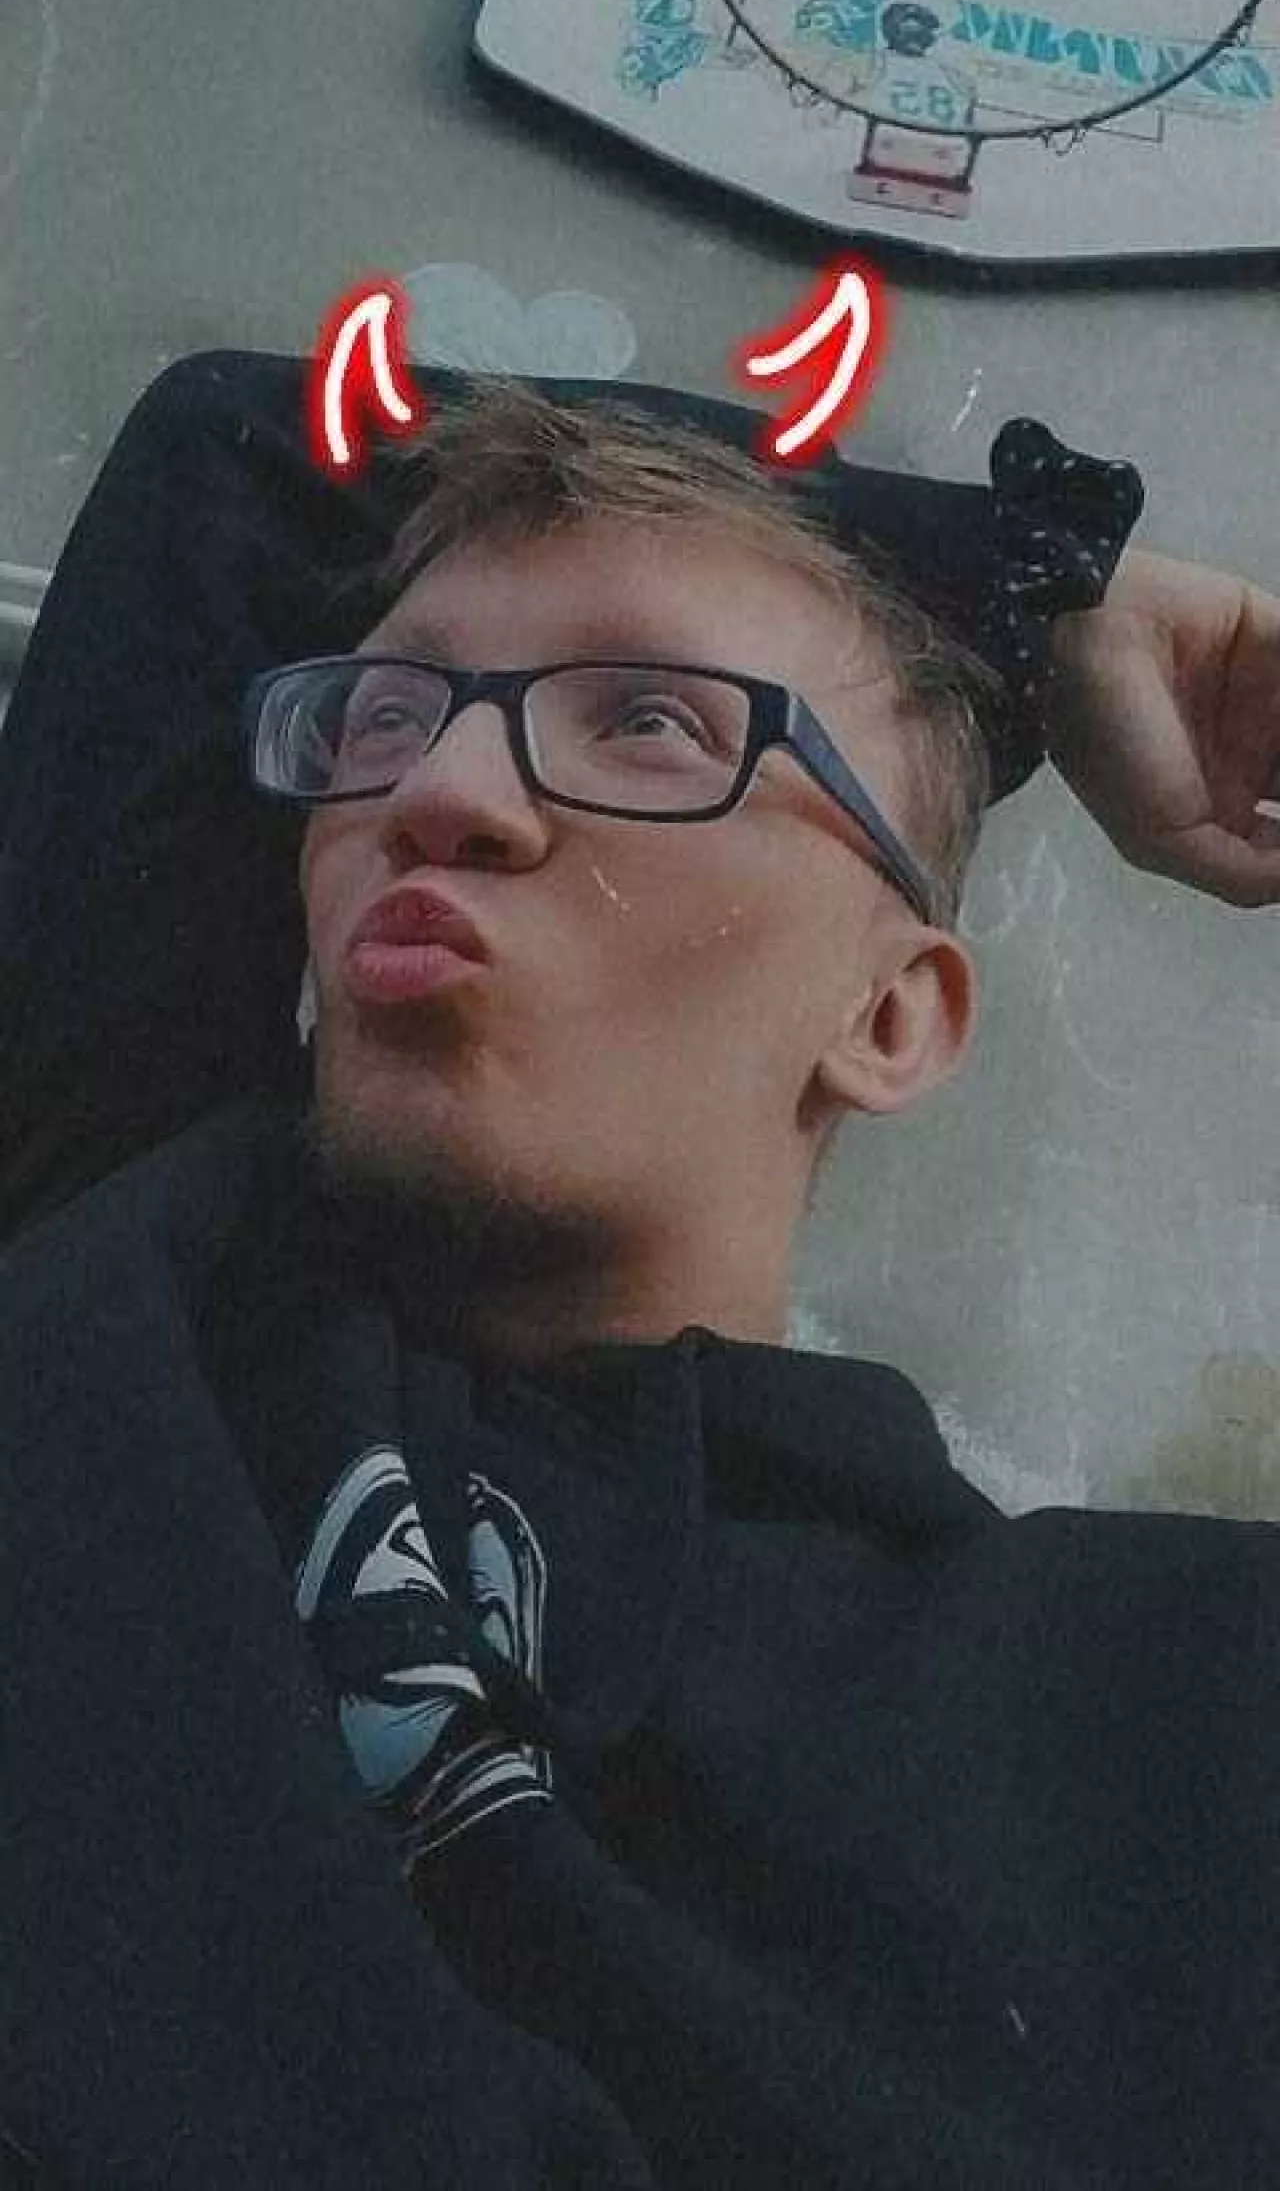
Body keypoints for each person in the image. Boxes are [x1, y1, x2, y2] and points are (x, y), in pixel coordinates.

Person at [2, 353, 1278, 2190]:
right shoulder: (121, 1284)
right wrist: (1044, 602)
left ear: (893, 1013)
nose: (440, 788)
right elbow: (236, 456)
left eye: (657, 724)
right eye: (384, 712)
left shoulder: (1171, 1716)